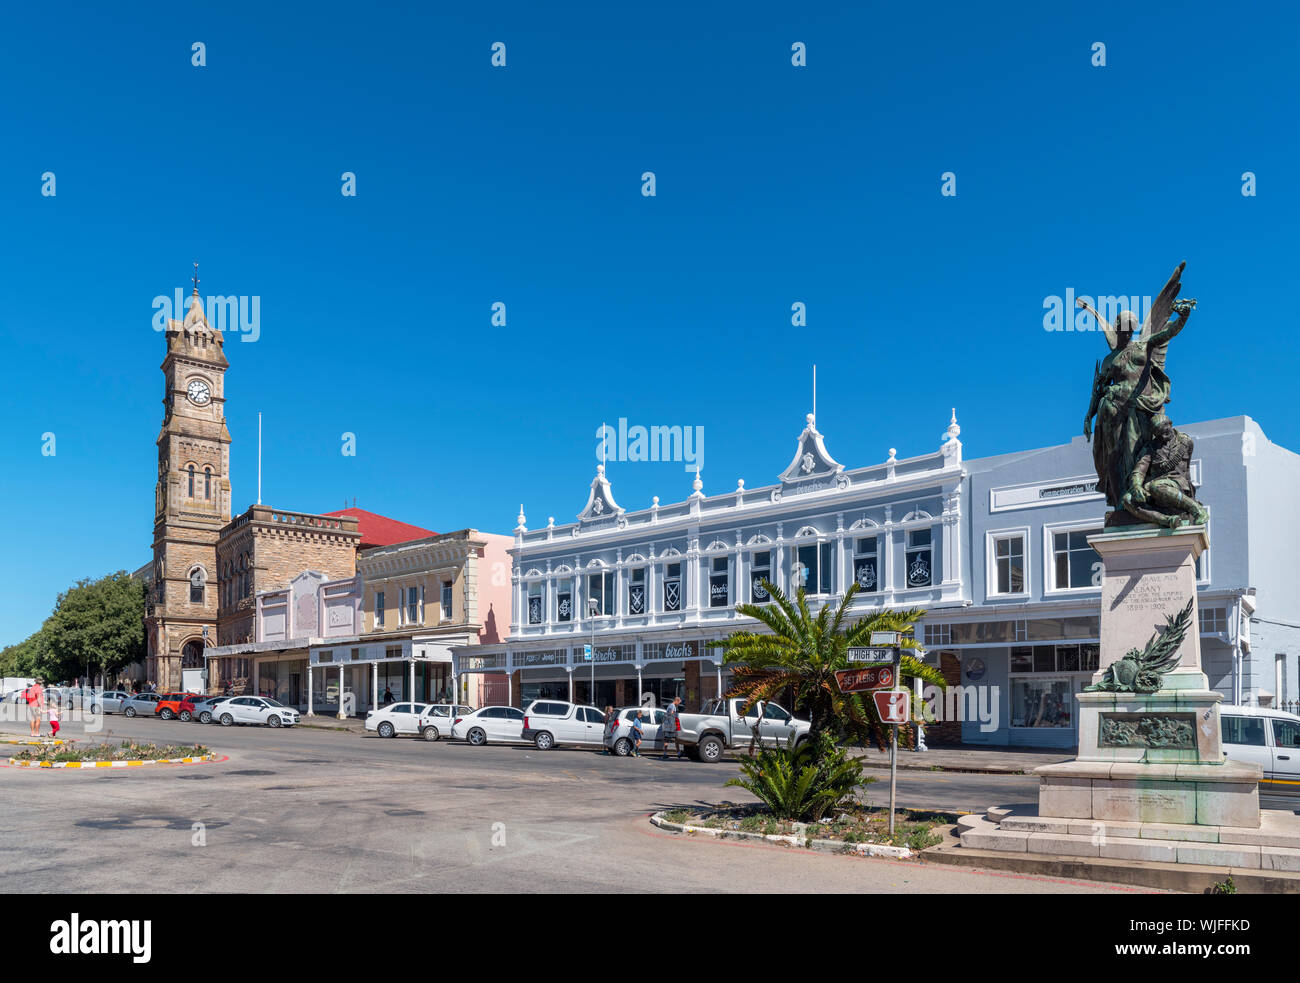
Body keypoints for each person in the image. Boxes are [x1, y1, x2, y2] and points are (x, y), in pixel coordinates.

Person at [661, 696, 684, 760]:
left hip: (668, 725)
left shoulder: (670, 705)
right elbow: (671, 714)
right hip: (671, 725)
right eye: (679, 702)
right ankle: (678, 753)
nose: (678, 704)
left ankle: (666, 754)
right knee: (676, 739)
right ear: (676, 701)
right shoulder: (672, 706)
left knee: (667, 739)